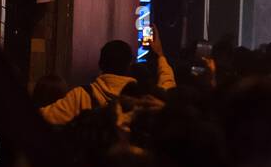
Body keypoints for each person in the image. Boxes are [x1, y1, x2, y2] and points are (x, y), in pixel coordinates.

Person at [40, 37, 174, 125]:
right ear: (129, 65)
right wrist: (160, 56)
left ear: (100, 64)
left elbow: (44, 117)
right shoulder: (146, 99)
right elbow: (167, 86)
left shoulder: (80, 96)